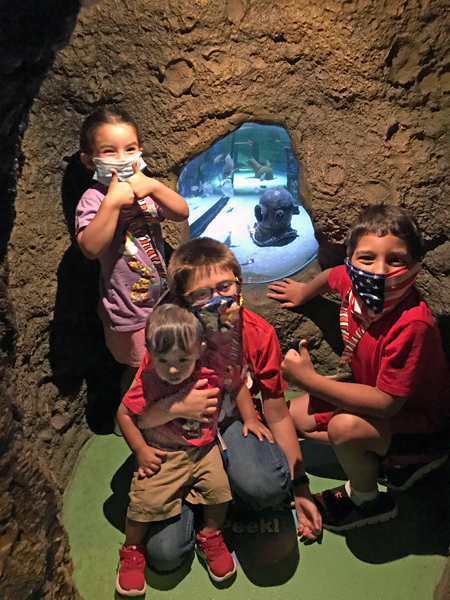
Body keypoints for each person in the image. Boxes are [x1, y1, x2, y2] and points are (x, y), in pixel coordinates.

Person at [131, 238, 321, 573]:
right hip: (178, 440)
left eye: (225, 286)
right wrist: (177, 406)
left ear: (239, 283)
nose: (218, 300)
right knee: (164, 554)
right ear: (181, 301)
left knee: (268, 484)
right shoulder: (170, 339)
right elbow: (137, 415)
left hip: (230, 424)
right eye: (202, 294)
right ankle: (196, 499)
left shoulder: (257, 333)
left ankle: (218, 498)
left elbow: (275, 409)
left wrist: (300, 486)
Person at [268, 204, 450, 531]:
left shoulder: (413, 326)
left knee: (344, 429)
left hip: (421, 420)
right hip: (373, 395)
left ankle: (368, 499)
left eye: (395, 260)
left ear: (416, 266)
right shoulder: (353, 284)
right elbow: (330, 277)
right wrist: (303, 292)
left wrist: (309, 381)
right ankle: (382, 457)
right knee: (296, 418)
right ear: (352, 261)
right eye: (367, 258)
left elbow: (386, 404)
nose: (379, 271)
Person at [117, 303, 266, 595]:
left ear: (199, 349)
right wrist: (140, 451)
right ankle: (131, 550)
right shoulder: (148, 378)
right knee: (144, 502)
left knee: (219, 490)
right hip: (164, 452)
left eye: (182, 360)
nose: (172, 369)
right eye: (162, 360)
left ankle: (210, 535)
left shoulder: (211, 367)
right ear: (149, 352)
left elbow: (236, 385)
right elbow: (124, 415)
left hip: (203, 449)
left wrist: (250, 417)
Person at [75, 106, 189, 397]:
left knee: (164, 359)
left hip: (161, 300)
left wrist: (152, 186)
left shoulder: (146, 191)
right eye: (109, 151)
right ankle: (130, 417)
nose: (123, 158)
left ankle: (161, 409)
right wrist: (112, 203)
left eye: (130, 148)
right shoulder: (93, 199)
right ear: (89, 160)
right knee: (141, 368)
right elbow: (90, 247)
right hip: (129, 309)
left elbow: (181, 212)